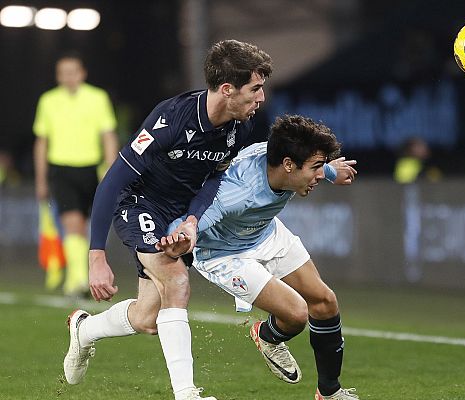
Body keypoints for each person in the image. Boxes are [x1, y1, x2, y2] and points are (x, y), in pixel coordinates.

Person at [62, 40, 355, 400]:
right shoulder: (170, 120)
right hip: (143, 203)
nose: (261, 98)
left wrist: (191, 218)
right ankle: (187, 394)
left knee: (146, 319)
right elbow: (112, 181)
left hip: (186, 211)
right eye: (256, 88)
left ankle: (85, 330)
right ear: (228, 89)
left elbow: (216, 176)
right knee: (176, 282)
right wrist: (96, 256)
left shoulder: (240, 125)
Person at [157, 115, 359, 400]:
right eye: (315, 168)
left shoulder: (283, 160)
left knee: (325, 302)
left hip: (264, 232)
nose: (318, 175)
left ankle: (329, 392)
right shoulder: (236, 193)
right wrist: (178, 237)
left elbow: (306, 164)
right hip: (223, 253)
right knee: (296, 314)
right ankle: (267, 336)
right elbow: (191, 220)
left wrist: (329, 171)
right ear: (289, 165)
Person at [33, 54, 119, 296]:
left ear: (82, 73)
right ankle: (78, 281)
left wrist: (112, 171)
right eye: (63, 72)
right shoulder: (48, 101)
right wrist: (41, 179)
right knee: (73, 224)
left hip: (92, 169)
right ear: (58, 76)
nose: (68, 77)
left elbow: (108, 135)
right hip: (61, 169)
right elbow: (41, 141)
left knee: (89, 226)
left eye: (73, 71)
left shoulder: (97, 98)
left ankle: (81, 276)